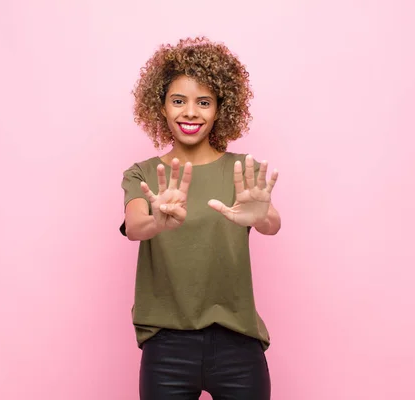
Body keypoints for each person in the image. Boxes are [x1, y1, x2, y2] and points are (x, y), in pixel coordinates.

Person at [120, 37, 281, 400]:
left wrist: (261, 217)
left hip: (238, 344)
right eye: (179, 101)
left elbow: (271, 221)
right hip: (168, 349)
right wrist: (157, 222)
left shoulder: (242, 170)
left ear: (220, 109)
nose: (190, 112)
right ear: (160, 106)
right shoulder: (142, 174)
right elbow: (134, 226)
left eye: (203, 102)